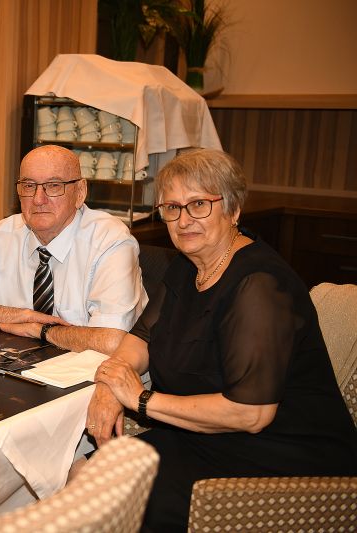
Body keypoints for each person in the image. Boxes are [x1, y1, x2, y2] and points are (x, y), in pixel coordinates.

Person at [86, 148, 357, 531]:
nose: (184, 220)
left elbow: (251, 413)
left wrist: (141, 399)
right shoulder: (188, 267)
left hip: (283, 456)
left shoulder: (259, 286)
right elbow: (142, 337)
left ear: (233, 210)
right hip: (206, 439)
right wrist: (109, 382)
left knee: (115, 501)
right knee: (92, 477)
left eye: (199, 204)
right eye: (172, 208)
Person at [0, 145, 146, 354]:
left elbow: (111, 341)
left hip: (89, 371)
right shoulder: (2, 235)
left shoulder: (109, 240)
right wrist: (22, 316)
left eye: (54, 185)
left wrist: (40, 330)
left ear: (80, 192)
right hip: (18, 364)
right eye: (29, 186)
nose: (38, 199)